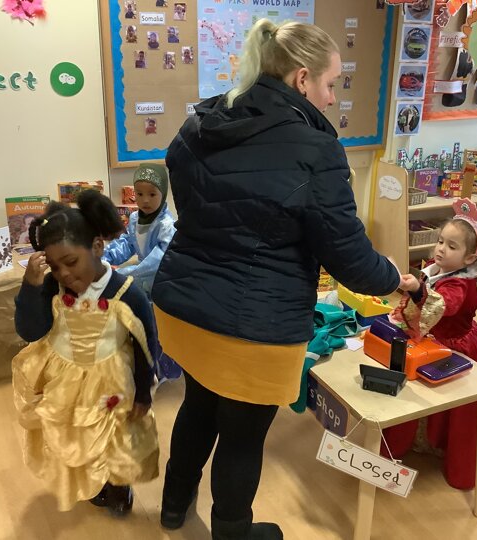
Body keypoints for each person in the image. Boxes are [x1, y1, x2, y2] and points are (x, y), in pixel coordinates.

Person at [152, 18, 416, 540]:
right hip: (255, 323)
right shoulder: (315, 150)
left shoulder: (201, 123)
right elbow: (349, 258)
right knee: (242, 435)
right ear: (301, 79)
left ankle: (173, 506)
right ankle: (232, 533)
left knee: (198, 405)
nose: (332, 97)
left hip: (184, 303)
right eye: (330, 83)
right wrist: (395, 279)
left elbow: (196, 203)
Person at [11, 190, 160, 516]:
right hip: (68, 384)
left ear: (97, 247)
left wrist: (143, 392)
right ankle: (94, 481)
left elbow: (146, 344)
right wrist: (30, 287)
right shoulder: (52, 287)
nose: (64, 274)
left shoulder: (127, 293)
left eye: (71, 262)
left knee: (115, 437)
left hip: (112, 382)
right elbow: (30, 330)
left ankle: (118, 486)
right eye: (54, 266)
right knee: (80, 435)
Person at [382, 198, 477, 490]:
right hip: (433, 340)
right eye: (440, 241)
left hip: (456, 347)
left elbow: (444, 305)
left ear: (469, 258)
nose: (441, 249)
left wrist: (416, 288)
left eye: (451, 246)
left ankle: (441, 441)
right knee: (420, 389)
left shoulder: (462, 283)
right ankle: (419, 436)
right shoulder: (437, 269)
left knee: (451, 401)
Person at [103, 164, 181, 381]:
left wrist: (127, 272)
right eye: (139, 194)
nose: (145, 200)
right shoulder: (135, 219)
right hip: (139, 281)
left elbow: (160, 258)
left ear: (163, 193)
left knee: (156, 328)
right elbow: (126, 243)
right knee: (135, 325)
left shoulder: (167, 224)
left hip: (160, 283)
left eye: (152, 194)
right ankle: (139, 363)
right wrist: (104, 258)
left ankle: (161, 370)